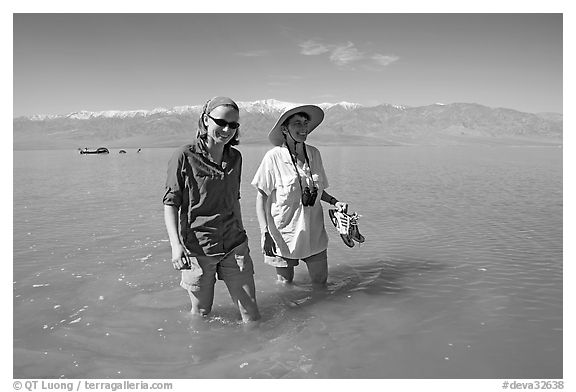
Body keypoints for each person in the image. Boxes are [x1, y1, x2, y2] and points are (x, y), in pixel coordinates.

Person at [163, 96, 260, 323]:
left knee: (251, 315)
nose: (227, 130)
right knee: (202, 314)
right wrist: (176, 247)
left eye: (233, 125)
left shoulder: (235, 157)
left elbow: (234, 199)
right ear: (206, 120)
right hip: (198, 248)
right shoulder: (184, 156)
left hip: (234, 244)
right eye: (221, 122)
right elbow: (171, 203)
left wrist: (243, 232)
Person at [251, 105, 348, 285]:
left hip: (314, 233)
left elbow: (316, 189)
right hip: (283, 235)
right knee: (285, 285)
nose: (304, 128)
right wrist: (264, 232)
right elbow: (261, 196)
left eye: (305, 123)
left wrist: (335, 202)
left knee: (320, 283)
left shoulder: (314, 154)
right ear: (284, 129)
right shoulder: (273, 158)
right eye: (297, 123)